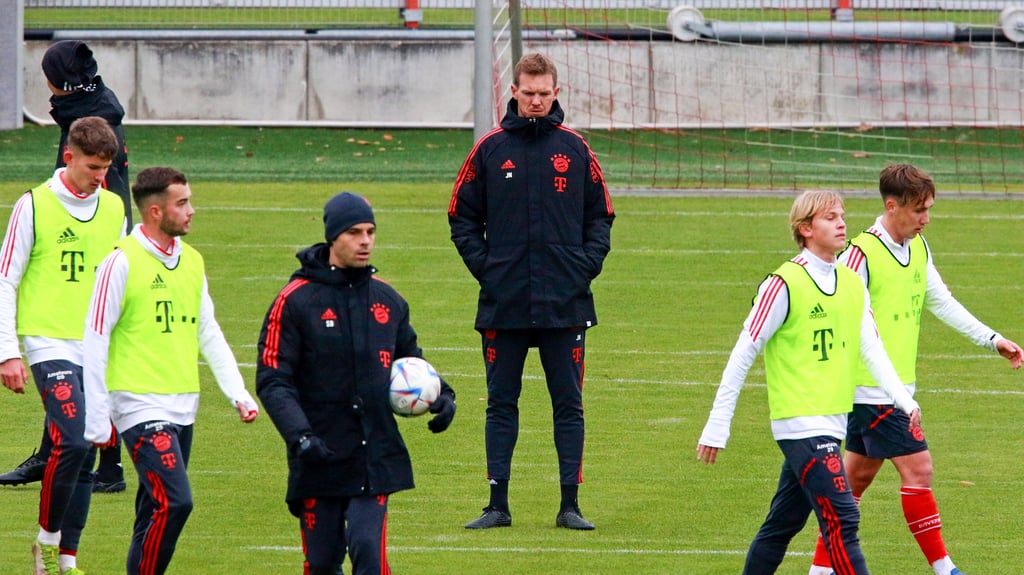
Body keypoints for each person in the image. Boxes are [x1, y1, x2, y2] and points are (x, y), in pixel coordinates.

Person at [806, 165, 1023, 575]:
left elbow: (940, 301)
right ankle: (945, 569)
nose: (926, 218)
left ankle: (820, 569)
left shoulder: (919, 247)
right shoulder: (859, 255)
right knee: (919, 469)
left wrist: (991, 339)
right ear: (892, 206)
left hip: (891, 388)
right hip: (871, 390)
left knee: (854, 484)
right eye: (919, 210)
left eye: (929, 209)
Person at [696, 190, 922, 575]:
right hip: (800, 424)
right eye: (830, 217)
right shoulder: (783, 284)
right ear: (805, 229)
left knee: (781, 525)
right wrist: (718, 423)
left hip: (831, 424)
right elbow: (743, 352)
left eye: (842, 215)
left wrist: (904, 400)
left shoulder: (852, 283)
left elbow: (872, 350)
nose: (841, 223)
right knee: (844, 519)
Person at [448, 52, 615, 531]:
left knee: (569, 405)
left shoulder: (576, 150)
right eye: (529, 93)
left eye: (545, 93)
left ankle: (570, 506)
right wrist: (487, 268)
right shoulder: (490, 149)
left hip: (566, 303)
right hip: (505, 304)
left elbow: (600, 215)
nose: (537, 100)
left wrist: (583, 268)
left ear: (555, 93)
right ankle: (497, 505)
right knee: (501, 404)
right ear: (514, 93)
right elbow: (461, 215)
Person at [256, 191, 456, 575]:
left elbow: (410, 360)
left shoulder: (388, 301)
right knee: (321, 562)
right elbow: (273, 379)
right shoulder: (295, 301)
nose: (365, 240)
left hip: (373, 454)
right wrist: (300, 436)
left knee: (368, 550)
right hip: (319, 454)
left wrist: (442, 396)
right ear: (333, 237)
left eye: (370, 231)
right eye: (353, 232)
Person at [82, 167, 259, 575]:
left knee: (151, 512)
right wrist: (97, 416)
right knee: (176, 501)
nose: (192, 211)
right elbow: (95, 339)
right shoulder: (119, 262)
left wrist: (238, 393)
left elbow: (208, 331)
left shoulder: (192, 261)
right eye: (183, 203)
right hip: (139, 404)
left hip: (183, 404)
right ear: (156, 212)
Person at [0, 39, 131, 494]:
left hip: (95, 243)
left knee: (94, 365)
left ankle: (106, 467)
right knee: (76, 372)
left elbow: (99, 190)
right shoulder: (91, 104)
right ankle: (54, 453)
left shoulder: (86, 122)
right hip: (88, 243)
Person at [0, 116, 126, 575]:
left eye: (106, 168)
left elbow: (121, 281)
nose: (100, 176)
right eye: (93, 166)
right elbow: (5, 280)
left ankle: (64, 559)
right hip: (47, 340)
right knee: (73, 438)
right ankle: (48, 543)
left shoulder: (113, 207)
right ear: (68, 157)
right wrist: (7, 351)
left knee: (84, 446)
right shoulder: (33, 205)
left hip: (96, 346)